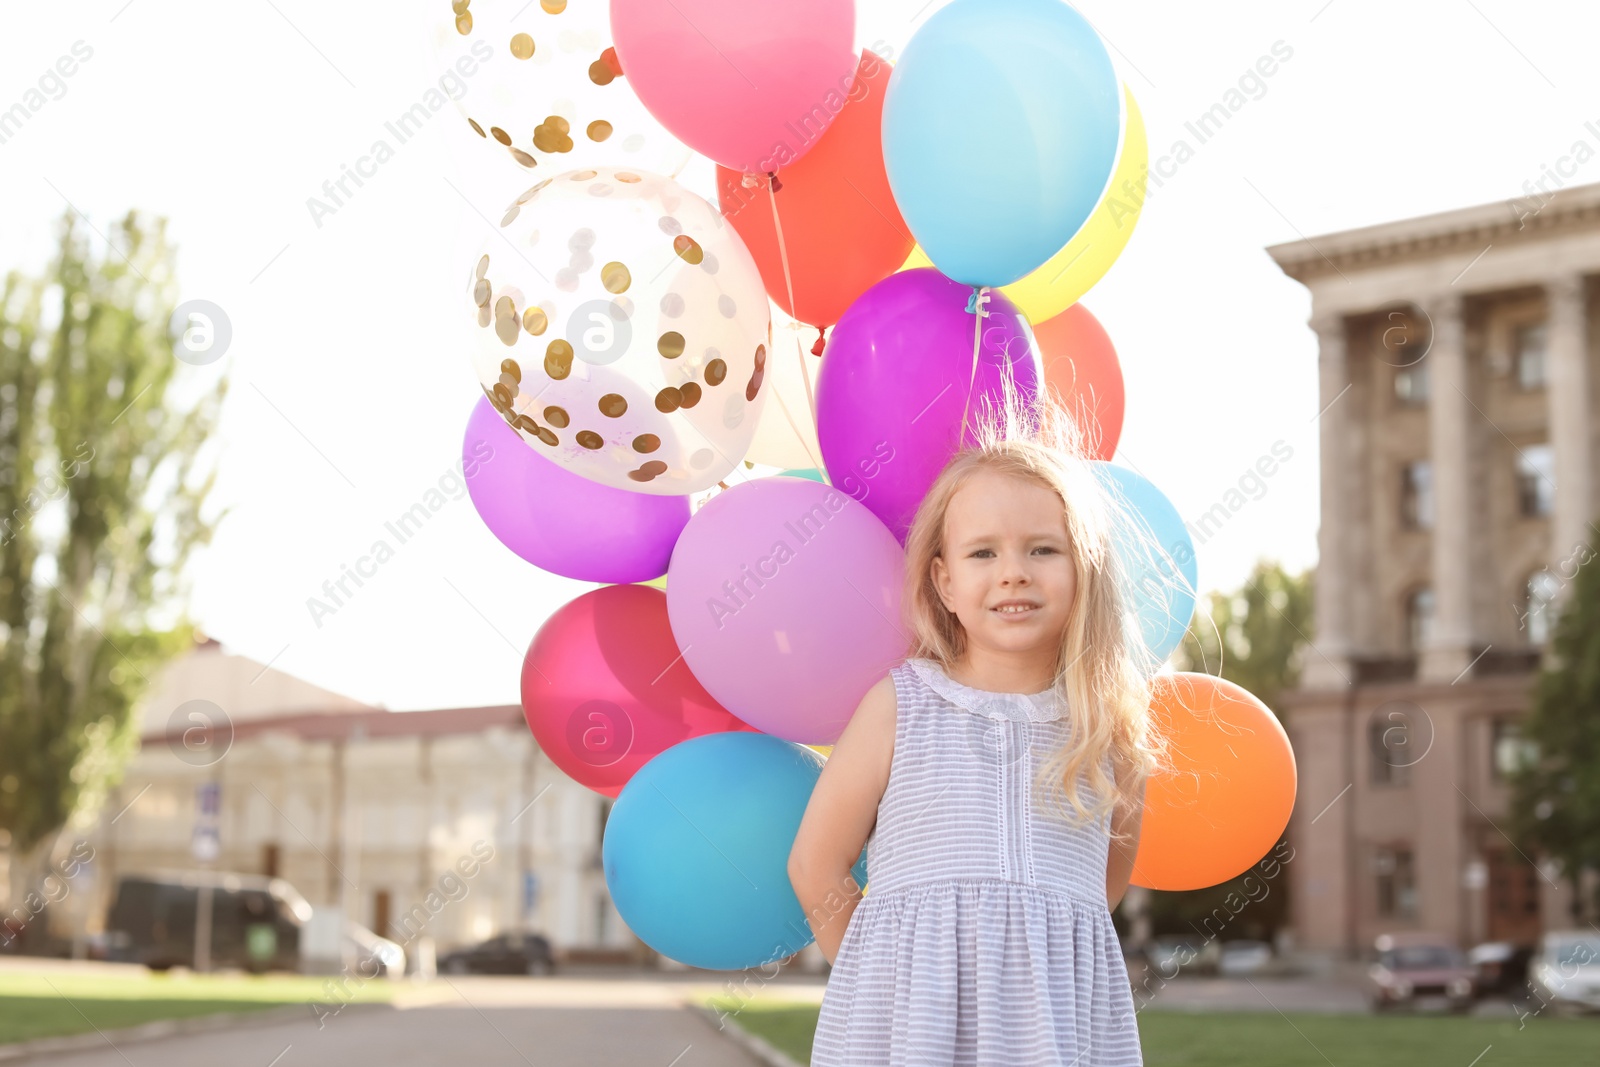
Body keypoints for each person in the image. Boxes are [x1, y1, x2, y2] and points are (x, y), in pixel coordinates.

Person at [789, 399, 1167, 1066]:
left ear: (1084, 568)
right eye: (983, 552)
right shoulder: (901, 705)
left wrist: (1034, 940)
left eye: (1043, 549)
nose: (1013, 570)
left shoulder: (1108, 730)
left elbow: (1098, 891)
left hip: (1054, 1034)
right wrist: (884, 981)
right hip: (910, 1034)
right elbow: (816, 863)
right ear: (945, 580)